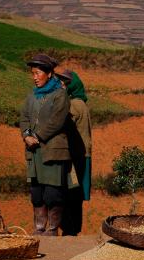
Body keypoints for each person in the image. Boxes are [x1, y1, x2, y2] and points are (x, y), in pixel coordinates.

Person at [19, 54, 71, 236]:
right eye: (32, 73)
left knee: (52, 193)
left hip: (52, 151)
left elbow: (57, 120)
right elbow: (24, 117)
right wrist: (26, 135)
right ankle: (39, 228)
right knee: (37, 193)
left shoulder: (60, 95)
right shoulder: (31, 96)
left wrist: (37, 135)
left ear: (49, 73)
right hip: (34, 152)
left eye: (38, 73)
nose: (34, 77)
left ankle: (52, 229)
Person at [56, 69, 92, 236]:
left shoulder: (74, 105)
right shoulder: (82, 103)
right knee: (75, 195)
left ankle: (69, 229)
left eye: (65, 83)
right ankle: (74, 229)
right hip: (82, 155)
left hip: (74, 156)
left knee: (69, 193)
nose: (62, 85)